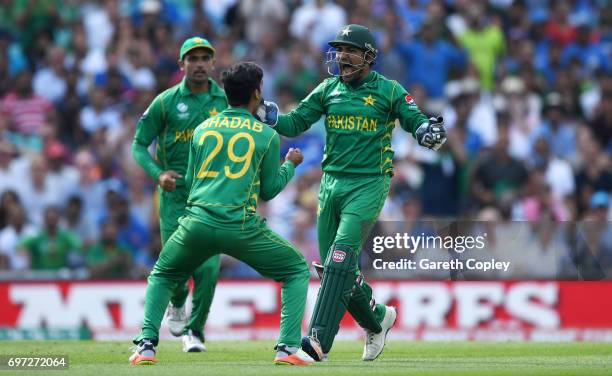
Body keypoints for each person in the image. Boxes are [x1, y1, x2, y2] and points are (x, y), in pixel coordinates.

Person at [259, 24, 447, 361]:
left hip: (369, 183)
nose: (342, 56)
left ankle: (316, 343)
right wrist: (271, 116)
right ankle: (377, 320)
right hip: (330, 184)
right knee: (333, 268)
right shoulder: (327, 89)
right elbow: (296, 123)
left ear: (369, 56)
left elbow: (413, 117)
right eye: (339, 49)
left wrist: (425, 130)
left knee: (341, 257)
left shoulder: (388, 90)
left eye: (350, 49)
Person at [129, 62, 313, 366]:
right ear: (257, 93)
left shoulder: (202, 130)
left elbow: (192, 179)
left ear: (226, 93)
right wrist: (290, 164)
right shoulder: (265, 135)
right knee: (295, 269)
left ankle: (147, 346)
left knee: (163, 274)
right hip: (240, 226)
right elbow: (268, 191)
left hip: (197, 222)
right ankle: (288, 348)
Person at [131, 37, 228, 352]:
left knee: (210, 267)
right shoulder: (166, 102)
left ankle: (195, 331)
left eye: (204, 58)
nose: (199, 64)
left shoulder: (226, 102)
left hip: (213, 196)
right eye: (193, 58)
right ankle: (176, 301)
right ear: (181, 64)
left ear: (212, 63)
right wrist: (158, 173)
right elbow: (138, 145)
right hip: (174, 197)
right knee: (176, 267)